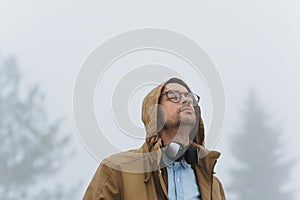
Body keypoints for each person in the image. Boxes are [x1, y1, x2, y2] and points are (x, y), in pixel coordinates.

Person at [83, 77, 226, 200]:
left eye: (190, 97)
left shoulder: (214, 186)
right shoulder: (117, 170)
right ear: (155, 113)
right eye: (174, 96)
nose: (187, 100)